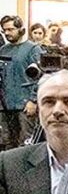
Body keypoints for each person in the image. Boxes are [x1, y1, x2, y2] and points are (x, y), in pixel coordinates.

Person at [0, 15, 40, 150]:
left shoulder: (33, 49)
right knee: (7, 143)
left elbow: (41, 76)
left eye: (10, 29)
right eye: (4, 30)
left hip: (25, 105)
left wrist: (33, 100)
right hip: (5, 106)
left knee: (26, 144)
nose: (7, 33)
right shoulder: (3, 50)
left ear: (21, 29)